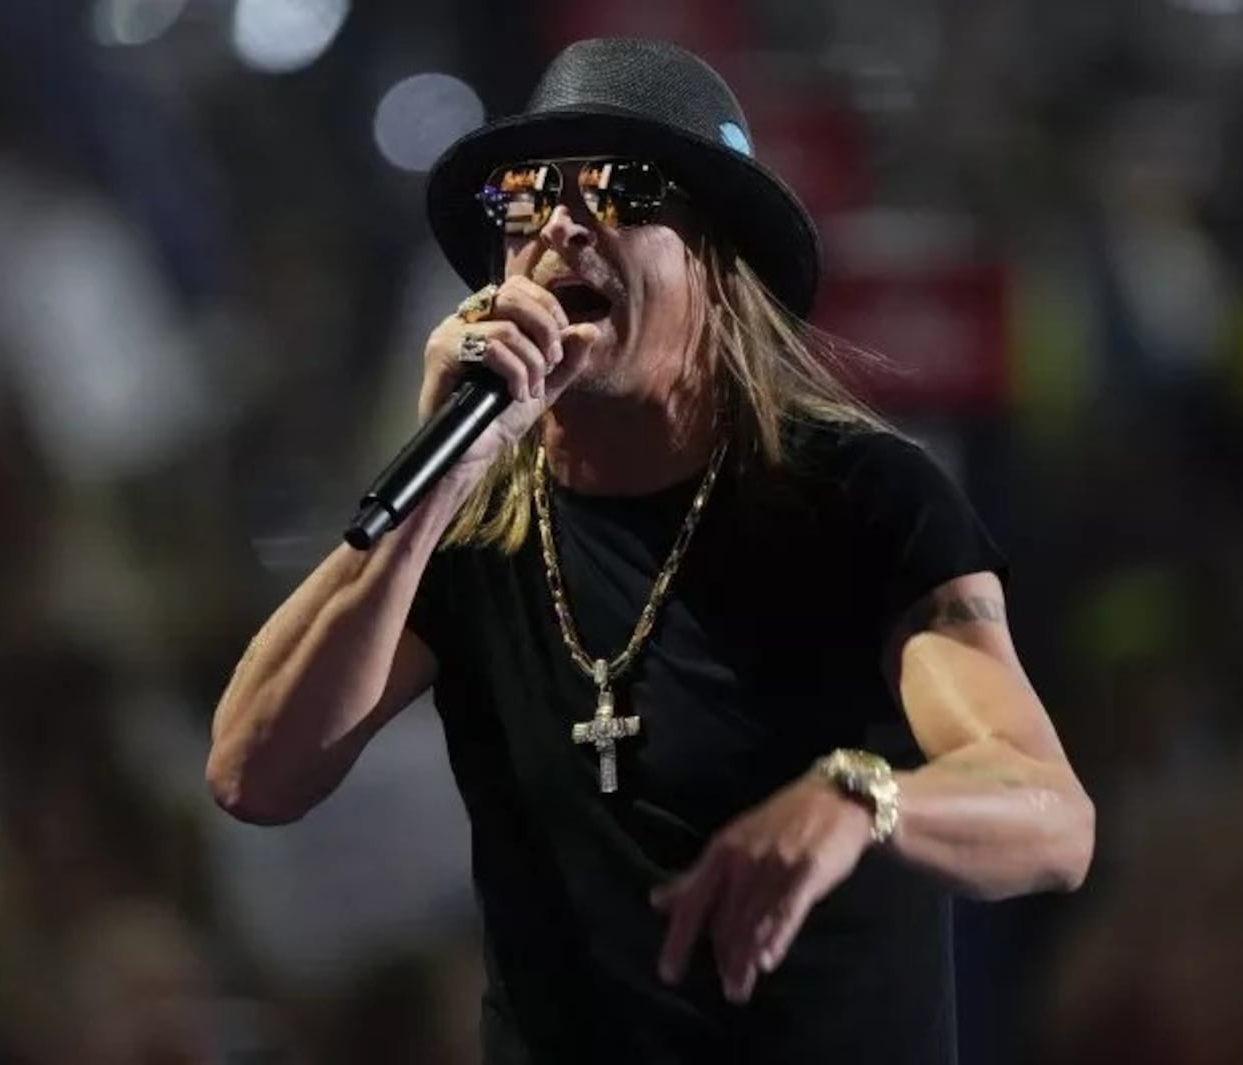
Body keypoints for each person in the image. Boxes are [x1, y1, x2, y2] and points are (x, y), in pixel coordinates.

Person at [207, 38, 1095, 1065]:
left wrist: (863, 797)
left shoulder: (857, 501)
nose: (559, 228)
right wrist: (438, 477)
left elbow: (1049, 816)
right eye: (525, 198)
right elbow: (253, 772)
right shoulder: (473, 528)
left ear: (716, 264)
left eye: (618, 190)